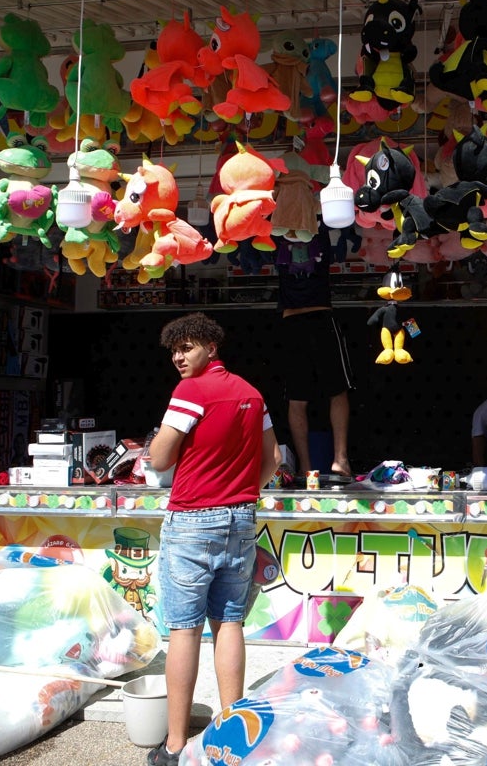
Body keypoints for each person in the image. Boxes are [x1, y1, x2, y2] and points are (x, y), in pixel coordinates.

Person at [144, 312, 280, 766]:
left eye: (187, 348)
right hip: (241, 519)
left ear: (211, 348)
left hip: (191, 521)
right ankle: (232, 735)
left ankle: (176, 745)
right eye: (174, 351)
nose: (179, 358)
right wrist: (243, 492)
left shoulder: (191, 392)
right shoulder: (251, 393)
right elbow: (273, 459)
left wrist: (156, 447)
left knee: (184, 629)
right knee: (230, 623)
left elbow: (160, 458)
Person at [276, 231, 354, 478]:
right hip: (320, 317)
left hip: (292, 321)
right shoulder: (318, 230)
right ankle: (339, 459)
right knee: (337, 391)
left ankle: (307, 466)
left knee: (298, 399)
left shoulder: (277, 232)